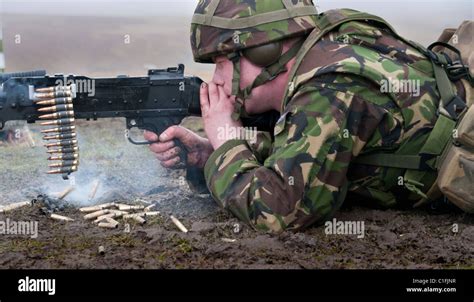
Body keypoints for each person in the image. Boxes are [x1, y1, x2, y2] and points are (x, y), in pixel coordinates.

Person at [144, 0, 473, 233]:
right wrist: (211, 153)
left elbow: (280, 211)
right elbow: (297, 147)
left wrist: (229, 141)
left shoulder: (327, 91)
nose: (215, 79)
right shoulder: (329, 45)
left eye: (221, 63)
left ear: (264, 50)